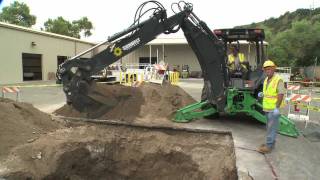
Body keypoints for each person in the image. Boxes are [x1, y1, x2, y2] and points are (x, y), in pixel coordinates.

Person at [257, 60, 285, 154]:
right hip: (267, 108)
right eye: (266, 69)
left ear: (274, 69)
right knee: (269, 127)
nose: (268, 71)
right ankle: (271, 144)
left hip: (273, 109)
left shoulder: (278, 80)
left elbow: (280, 94)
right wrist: (262, 94)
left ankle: (269, 146)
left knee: (271, 128)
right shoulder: (266, 80)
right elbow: (268, 92)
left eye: (270, 69)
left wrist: (277, 108)